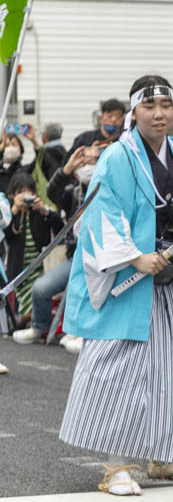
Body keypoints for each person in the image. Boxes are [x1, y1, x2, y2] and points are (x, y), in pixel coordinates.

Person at [58, 75, 173, 496]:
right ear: (135, 112)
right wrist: (134, 256)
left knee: (166, 368)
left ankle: (162, 456)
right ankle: (115, 467)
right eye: (150, 107)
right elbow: (100, 214)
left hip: (170, 278)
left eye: (167, 106)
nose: (160, 114)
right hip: (128, 280)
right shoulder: (116, 159)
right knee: (120, 371)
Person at [12, 142, 106, 348]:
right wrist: (67, 168)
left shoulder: (111, 187)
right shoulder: (74, 191)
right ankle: (39, 327)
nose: (88, 164)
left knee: (90, 290)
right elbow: (52, 191)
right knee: (41, 288)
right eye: (83, 160)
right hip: (77, 257)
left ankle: (85, 334)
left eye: (93, 159)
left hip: (107, 259)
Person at [4, 172, 63, 322]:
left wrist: (44, 210)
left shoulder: (39, 210)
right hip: (20, 270)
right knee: (30, 307)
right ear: (12, 194)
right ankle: (32, 322)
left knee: (39, 295)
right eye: (20, 192)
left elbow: (60, 229)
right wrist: (14, 210)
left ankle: (33, 323)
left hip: (40, 267)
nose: (25, 196)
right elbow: (5, 235)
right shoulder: (9, 213)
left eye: (28, 191)